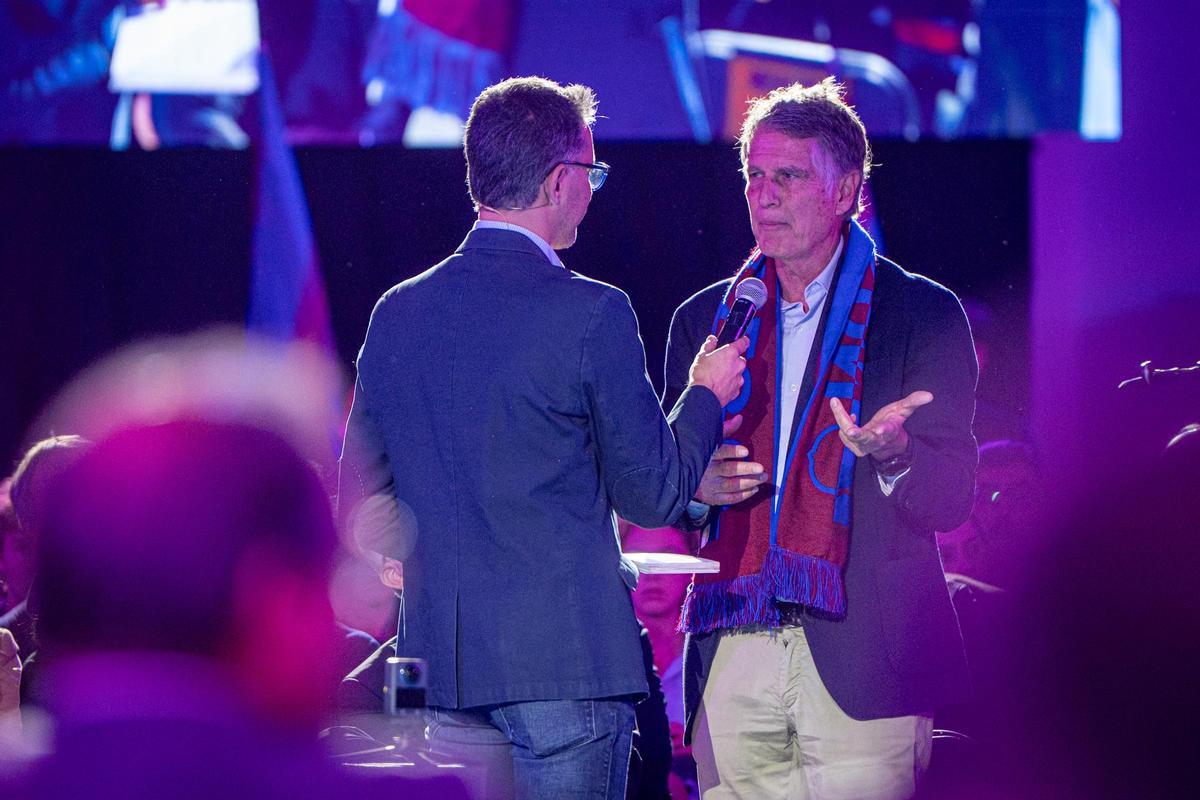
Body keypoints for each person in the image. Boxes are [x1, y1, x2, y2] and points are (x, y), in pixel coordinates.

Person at [338, 75, 748, 799]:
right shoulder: (592, 313)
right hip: (566, 672)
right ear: (560, 181)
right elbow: (652, 495)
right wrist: (704, 396)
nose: (592, 188)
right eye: (591, 171)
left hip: (443, 674)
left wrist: (401, 553)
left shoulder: (397, 312)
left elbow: (359, 494)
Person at [662, 78, 977, 800]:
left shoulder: (920, 314)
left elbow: (953, 496)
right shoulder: (706, 322)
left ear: (846, 191)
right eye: (754, 176)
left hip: (868, 652)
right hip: (733, 644)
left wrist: (897, 456)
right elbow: (668, 489)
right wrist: (695, 488)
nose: (764, 196)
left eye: (790, 177)